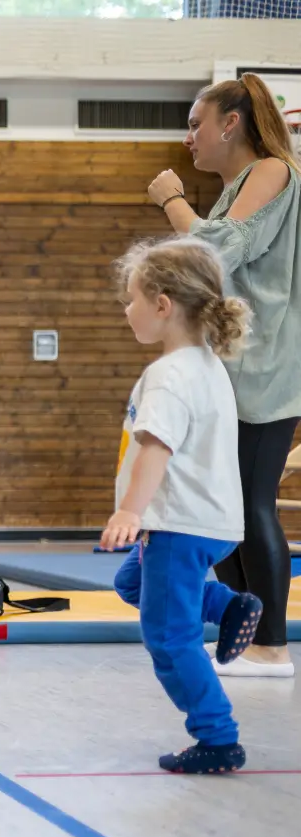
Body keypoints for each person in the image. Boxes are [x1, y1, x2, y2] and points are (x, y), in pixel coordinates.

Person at [147, 72, 301, 678]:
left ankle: (272, 645)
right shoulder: (239, 186)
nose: (189, 138)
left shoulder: (272, 170)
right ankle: (245, 632)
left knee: (252, 507)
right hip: (234, 369)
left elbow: (213, 251)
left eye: (195, 124)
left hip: (265, 372)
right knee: (223, 511)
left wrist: (170, 199)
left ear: (230, 124)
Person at [102, 237, 263, 774]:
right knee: (133, 584)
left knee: (169, 637)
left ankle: (217, 737)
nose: (127, 310)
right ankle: (224, 605)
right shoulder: (207, 363)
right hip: (213, 521)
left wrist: (129, 511)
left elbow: (156, 448)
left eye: (132, 299)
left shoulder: (169, 376)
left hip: (177, 524)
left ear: (163, 304)